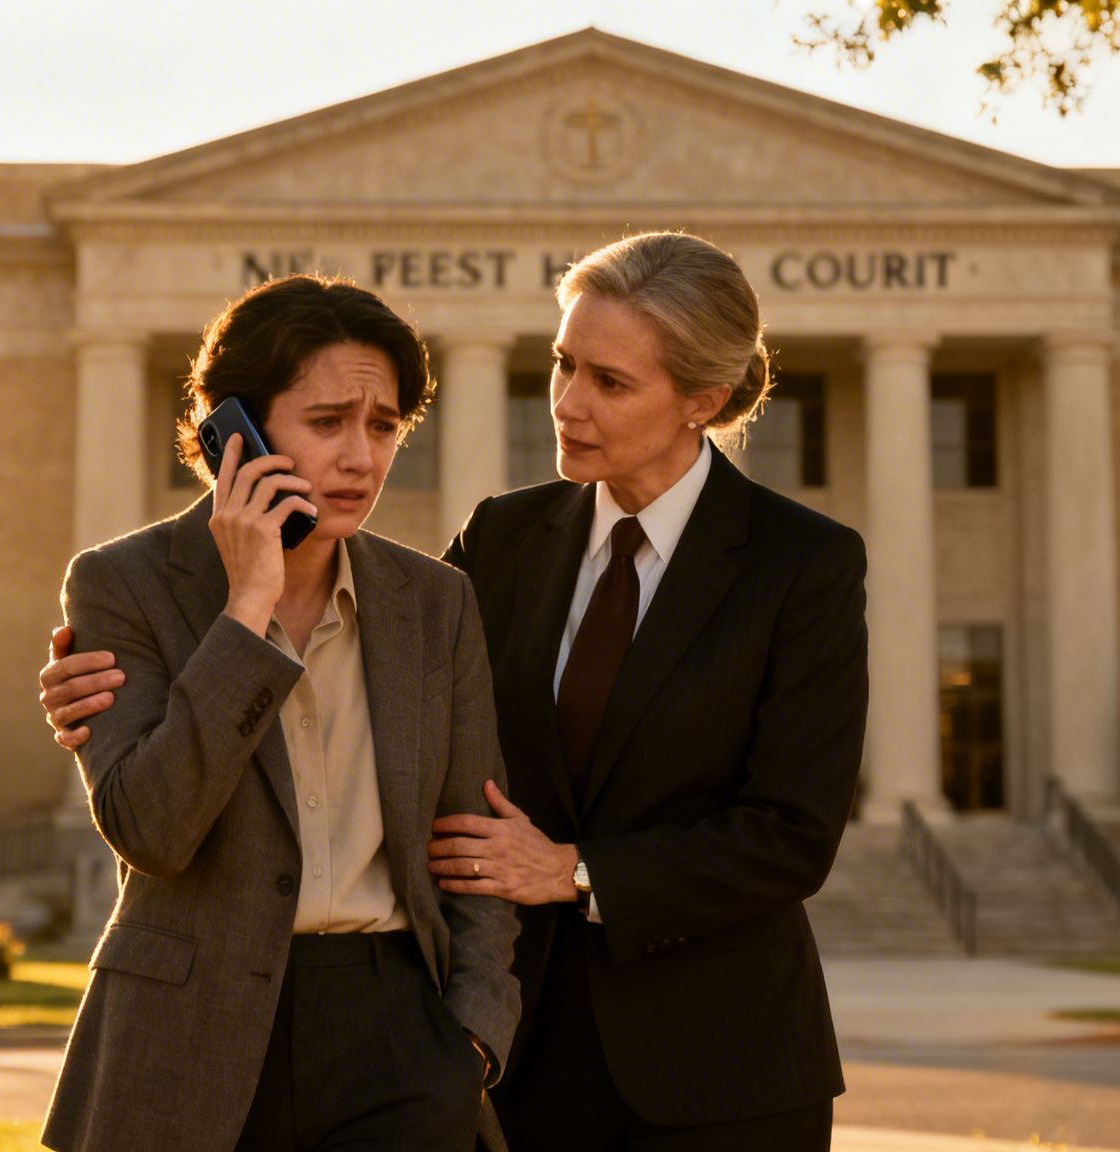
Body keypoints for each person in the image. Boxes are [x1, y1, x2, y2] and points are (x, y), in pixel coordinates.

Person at [44, 233, 867, 1150]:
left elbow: (794, 832)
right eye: (563, 365)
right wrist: (129, 696)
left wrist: (572, 873)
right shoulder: (499, 541)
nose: (567, 403)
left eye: (608, 381)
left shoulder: (804, 564)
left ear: (701, 401)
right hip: (529, 1068)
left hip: (722, 1057)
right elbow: (375, 684)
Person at [38, 274, 519, 1152]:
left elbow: (471, 841)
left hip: (399, 1038)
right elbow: (152, 830)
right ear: (235, 434)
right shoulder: (122, 585)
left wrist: (473, 1037)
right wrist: (247, 609)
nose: (362, 458)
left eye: (384, 426)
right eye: (328, 422)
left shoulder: (435, 600)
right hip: (188, 1036)